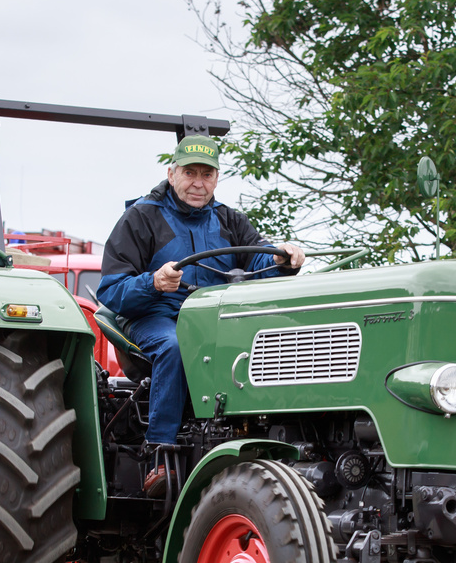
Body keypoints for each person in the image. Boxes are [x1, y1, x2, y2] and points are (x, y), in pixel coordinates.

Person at [98, 135, 306, 496]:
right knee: (175, 347)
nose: (198, 182)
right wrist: (153, 282)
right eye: (190, 172)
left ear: (216, 178)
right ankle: (160, 457)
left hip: (216, 320)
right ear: (172, 172)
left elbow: (257, 262)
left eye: (206, 174)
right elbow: (112, 291)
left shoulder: (229, 220)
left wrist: (279, 258)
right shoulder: (140, 218)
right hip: (156, 315)